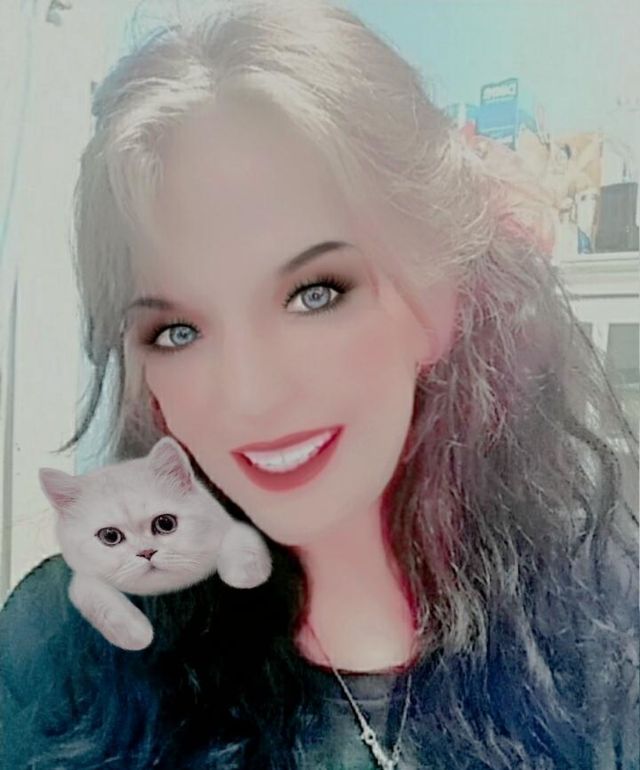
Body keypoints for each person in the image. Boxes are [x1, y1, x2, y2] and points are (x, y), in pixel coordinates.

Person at [1, 2, 638, 768]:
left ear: (436, 302)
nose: (249, 394)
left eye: (313, 294)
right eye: (178, 331)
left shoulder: (605, 631)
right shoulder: (64, 647)